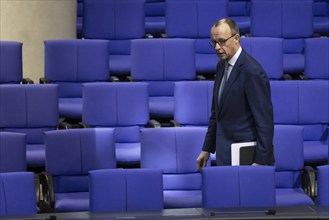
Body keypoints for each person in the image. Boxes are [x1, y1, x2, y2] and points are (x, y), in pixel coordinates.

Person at [196, 18, 275, 169]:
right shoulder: (221, 66)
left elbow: (264, 121)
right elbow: (216, 114)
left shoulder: (252, 71)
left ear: (236, 39)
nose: (217, 48)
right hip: (224, 153)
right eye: (214, 42)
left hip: (246, 159)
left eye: (222, 41)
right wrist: (206, 148)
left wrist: (260, 162)